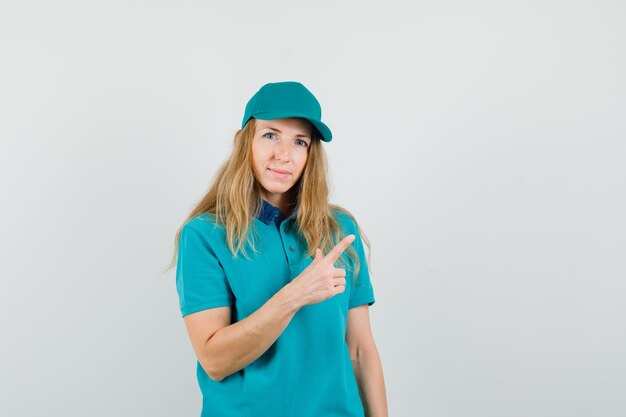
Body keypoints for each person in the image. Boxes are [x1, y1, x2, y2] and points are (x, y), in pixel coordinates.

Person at [171, 81, 388, 417]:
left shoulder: (340, 229)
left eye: (299, 142)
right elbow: (215, 361)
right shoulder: (204, 235)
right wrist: (295, 295)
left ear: (310, 154)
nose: (283, 155)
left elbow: (360, 351)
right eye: (270, 135)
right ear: (243, 143)